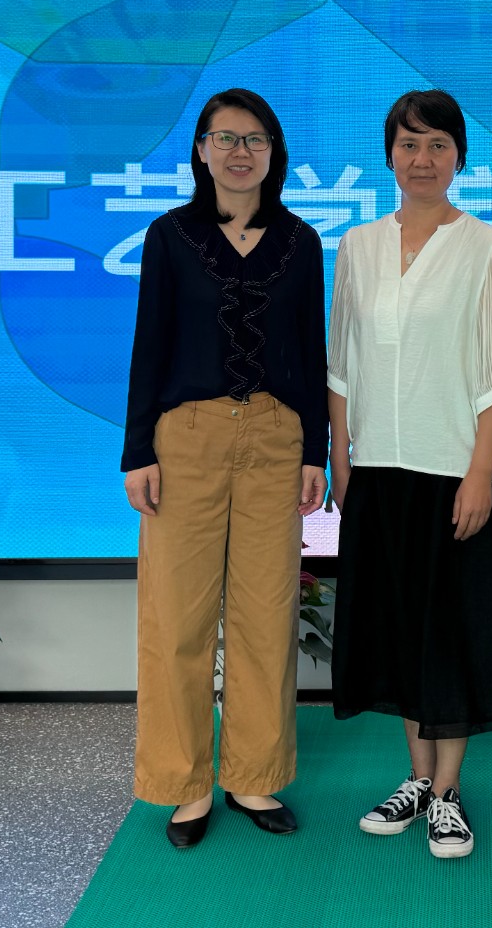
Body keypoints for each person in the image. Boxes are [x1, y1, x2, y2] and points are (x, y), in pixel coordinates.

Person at [327, 89, 492, 861]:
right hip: (379, 470)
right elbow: (342, 361)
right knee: (398, 631)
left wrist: (481, 471)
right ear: (389, 154)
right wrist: (341, 455)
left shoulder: (486, 247)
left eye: (438, 145)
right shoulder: (357, 245)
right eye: (409, 144)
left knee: (449, 633)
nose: (422, 159)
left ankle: (448, 793)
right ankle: (416, 779)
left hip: (454, 471)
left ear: (459, 158)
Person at [121, 88, 329, 850]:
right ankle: (183, 783)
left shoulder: (301, 242)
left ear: (275, 153)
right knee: (176, 616)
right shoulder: (170, 236)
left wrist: (315, 450)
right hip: (187, 438)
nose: (241, 153)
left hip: (275, 435)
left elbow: (310, 350)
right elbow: (149, 344)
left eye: (255, 139)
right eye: (226, 138)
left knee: (265, 613)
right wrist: (137, 450)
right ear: (201, 150)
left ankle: (252, 773)